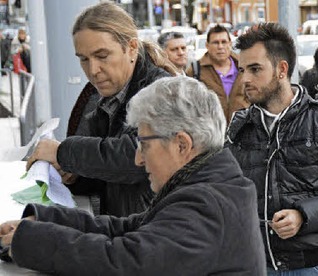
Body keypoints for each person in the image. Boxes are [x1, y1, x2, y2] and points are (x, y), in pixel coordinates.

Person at [0, 76, 267, 275]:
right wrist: (44, 219)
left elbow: (124, 262)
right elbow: (131, 228)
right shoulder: (210, 185)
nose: (138, 158)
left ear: (182, 145)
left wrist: (32, 240)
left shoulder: (207, 205)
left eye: (144, 144)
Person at [227, 22, 318, 274]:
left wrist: (303, 216)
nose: (245, 79)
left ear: (282, 69)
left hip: (315, 265)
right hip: (258, 263)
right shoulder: (239, 125)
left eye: (255, 69)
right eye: (242, 70)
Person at [26, 2, 175, 217]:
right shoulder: (102, 97)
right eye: (84, 59)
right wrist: (74, 174)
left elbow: (138, 156)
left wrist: (62, 152)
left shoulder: (163, 90)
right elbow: (108, 178)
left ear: (131, 48)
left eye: (102, 56)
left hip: (158, 233)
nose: (93, 70)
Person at [187, 24, 248, 123]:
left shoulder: (244, 66)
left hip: (243, 131)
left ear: (230, 44)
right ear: (207, 45)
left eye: (224, 42)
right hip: (211, 132)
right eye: (215, 43)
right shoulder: (195, 70)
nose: (220, 47)